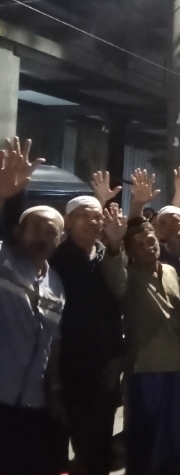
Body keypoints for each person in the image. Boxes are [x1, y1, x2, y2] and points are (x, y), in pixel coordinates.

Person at [101, 210, 180, 474]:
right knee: (147, 436)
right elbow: (115, 281)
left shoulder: (170, 270)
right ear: (130, 252)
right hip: (147, 368)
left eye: (151, 241)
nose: (148, 247)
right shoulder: (128, 276)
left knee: (177, 434)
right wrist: (114, 244)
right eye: (139, 244)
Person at [0, 139, 65, 475]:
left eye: (51, 232)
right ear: (17, 232)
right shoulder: (4, 262)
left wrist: (53, 390)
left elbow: (54, 341)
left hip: (32, 403)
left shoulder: (57, 285)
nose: (43, 236)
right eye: (35, 228)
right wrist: (3, 195)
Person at [50, 195, 124, 475]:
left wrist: (118, 355)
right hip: (65, 367)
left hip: (103, 367)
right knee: (60, 443)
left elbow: (120, 301)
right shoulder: (54, 259)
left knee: (99, 444)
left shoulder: (108, 254)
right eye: (84, 215)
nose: (92, 221)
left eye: (97, 216)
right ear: (68, 221)